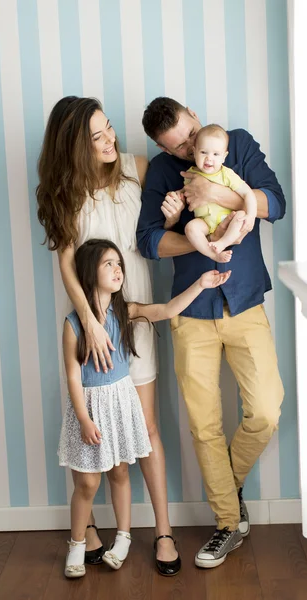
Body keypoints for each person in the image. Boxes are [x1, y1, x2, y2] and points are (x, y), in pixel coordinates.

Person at [137, 97, 285, 569]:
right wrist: (205, 240)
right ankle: (227, 521)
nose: (185, 154)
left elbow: (275, 203)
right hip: (190, 310)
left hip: (244, 301)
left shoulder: (235, 144)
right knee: (203, 424)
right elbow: (148, 240)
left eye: (186, 140)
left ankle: (227, 479)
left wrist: (213, 194)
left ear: (195, 119)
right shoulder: (162, 170)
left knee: (266, 408)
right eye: (172, 148)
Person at [36, 96, 179, 575]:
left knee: (146, 428)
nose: (109, 140)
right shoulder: (65, 193)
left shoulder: (138, 168)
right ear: (75, 146)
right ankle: (90, 529)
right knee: (92, 426)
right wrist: (91, 324)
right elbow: (66, 263)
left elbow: (164, 220)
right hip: (92, 325)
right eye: (96, 136)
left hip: (136, 315)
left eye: (109, 129)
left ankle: (162, 531)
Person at [58, 238, 231, 578]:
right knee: (88, 483)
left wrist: (201, 283)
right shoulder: (74, 323)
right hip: (91, 408)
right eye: (108, 263)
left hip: (120, 402)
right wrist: (82, 418)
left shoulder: (125, 311)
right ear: (88, 273)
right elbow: (73, 377)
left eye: (118, 263)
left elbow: (165, 311)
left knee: (120, 473)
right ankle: (77, 543)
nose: (117, 268)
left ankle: (123, 538)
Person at [163, 124, 257, 259]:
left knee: (241, 216)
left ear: (224, 157)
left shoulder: (226, 174)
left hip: (228, 218)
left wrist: (251, 216)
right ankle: (212, 254)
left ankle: (223, 243)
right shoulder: (190, 174)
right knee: (190, 228)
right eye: (203, 152)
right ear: (194, 152)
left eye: (216, 154)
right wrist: (177, 195)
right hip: (205, 223)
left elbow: (248, 193)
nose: (209, 158)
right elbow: (187, 191)